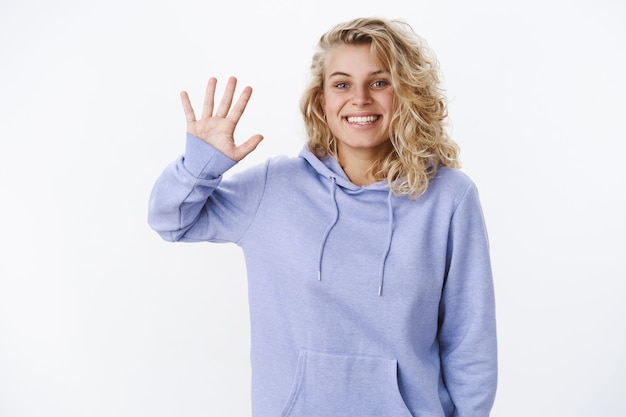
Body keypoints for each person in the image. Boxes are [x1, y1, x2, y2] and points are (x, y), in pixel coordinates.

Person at [148, 17, 497, 417]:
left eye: (380, 82)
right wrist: (201, 164)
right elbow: (171, 220)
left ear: (406, 93)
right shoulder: (274, 187)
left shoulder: (449, 198)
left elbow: (470, 342)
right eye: (342, 84)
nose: (360, 98)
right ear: (322, 101)